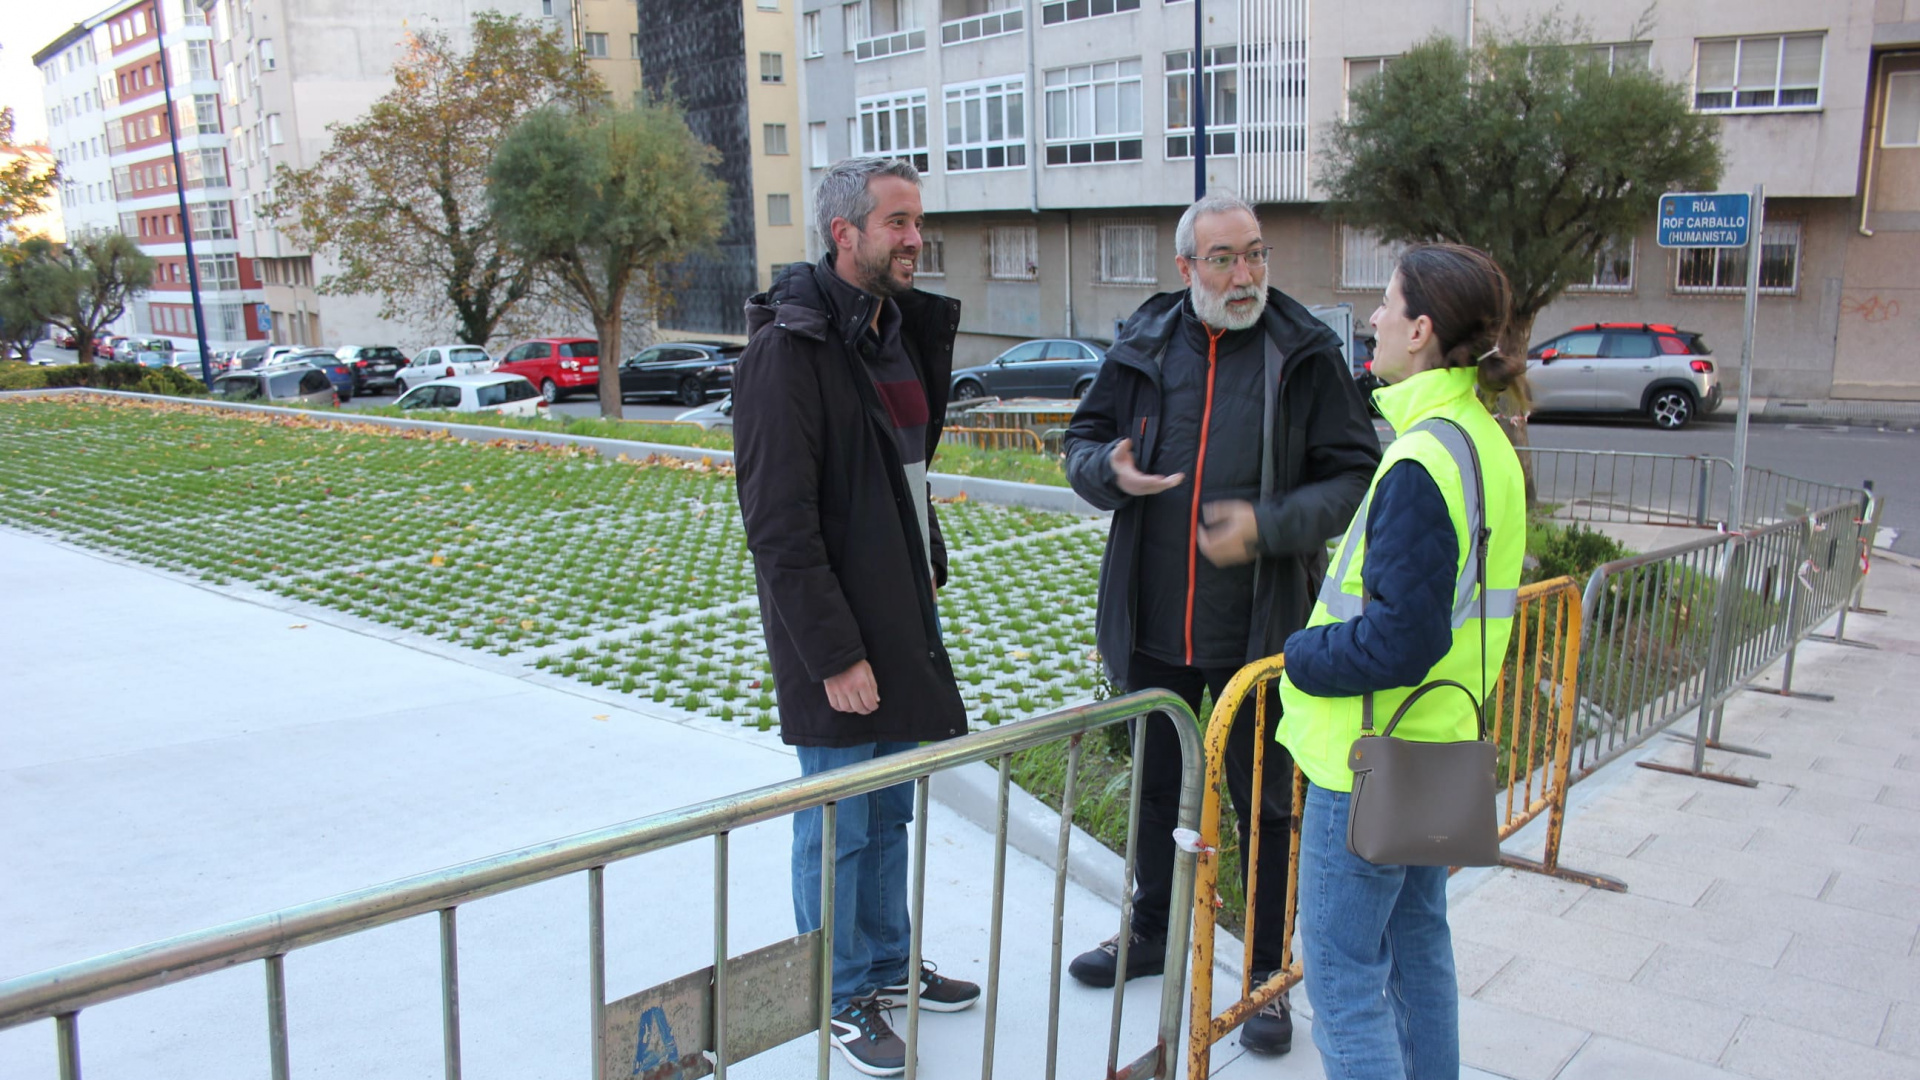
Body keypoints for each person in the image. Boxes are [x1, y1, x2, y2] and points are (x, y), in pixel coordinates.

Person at [1061, 191, 1382, 1055]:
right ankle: (1153, 929)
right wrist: (1109, 472)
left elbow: (1356, 474)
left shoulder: (1303, 351)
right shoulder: (1144, 343)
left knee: (1266, 806)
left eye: (1256, 255)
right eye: (1224, 260)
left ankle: (1267, 977)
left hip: (1261, 631)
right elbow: (1080, 442)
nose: (1245, 276)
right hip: (1157, 621)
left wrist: (1266, 527)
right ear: (1186, 268)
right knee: (1160, 793)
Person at [733, 157, 980, 1078]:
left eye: (919, 222)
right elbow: (779, 527)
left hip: (900, 613)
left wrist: (926, 570)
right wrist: (834, 654)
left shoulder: (894, 332)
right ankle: (834, 996)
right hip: (835, 635)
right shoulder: (787, 352)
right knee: (836, 819)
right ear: (846, 233)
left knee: (887, 814)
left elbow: (901, 475)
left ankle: (883, 964)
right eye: (899, 223)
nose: (917, 239)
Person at [1275, 243, 1527, 1080]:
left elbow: (1400, 638)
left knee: (1345, 985)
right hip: (1443, 740)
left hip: (1372, 758)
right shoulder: (1482, 437)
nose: (1373, 319)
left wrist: (1302, 656)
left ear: (1420, 330)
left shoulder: (1422, 457)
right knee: (1420, 955)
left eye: (1385, 305)